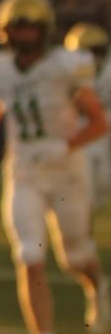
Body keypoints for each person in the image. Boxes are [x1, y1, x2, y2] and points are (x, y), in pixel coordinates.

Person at [0, 0, 109, 334]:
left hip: (66, 169)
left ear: (43, 30)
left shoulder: (63, 66)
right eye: (16, 27)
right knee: (28, 255)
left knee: (74, 257)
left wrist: (65, 145)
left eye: (29, 27)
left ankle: (98, 286)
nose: (23, 35)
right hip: (23, 170)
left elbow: (98, 122)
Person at [65, 22, 111, 210]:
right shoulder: (65, 73)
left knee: (104, 181)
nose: (93, 58)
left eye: (97, 51)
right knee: (85, 184)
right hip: (80, 127)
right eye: (88, 51)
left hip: (105, 126)